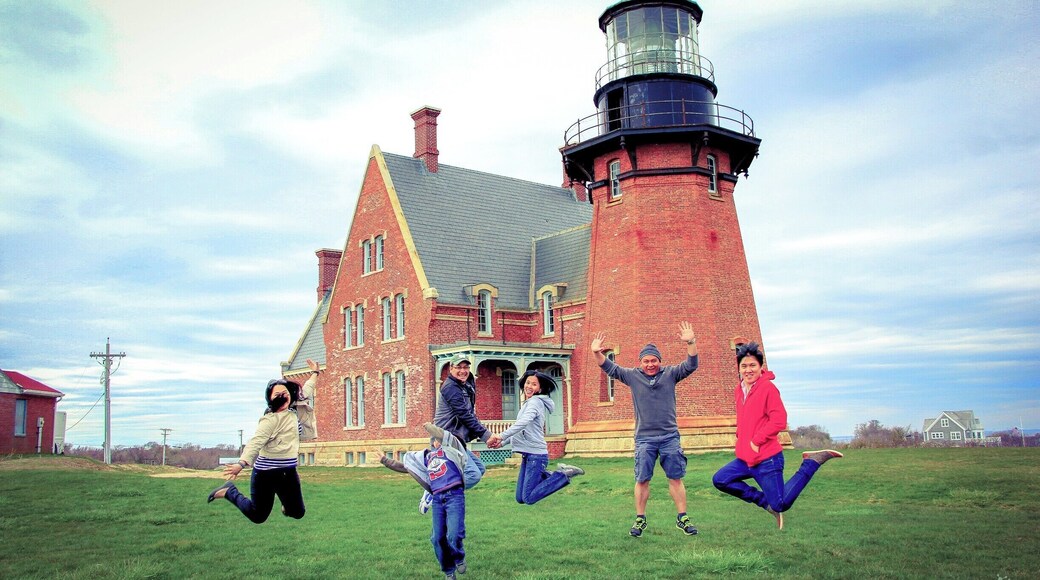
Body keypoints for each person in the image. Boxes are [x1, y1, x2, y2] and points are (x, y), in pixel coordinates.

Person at [712, 341, 843, 530]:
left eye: (752, 366)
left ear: (760, 367)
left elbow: (779, 420)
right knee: (721, 479)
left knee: (781, 503)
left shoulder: (768, 389)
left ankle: (811, 462)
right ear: (739, 368)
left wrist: (757, 440)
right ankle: (764, 503)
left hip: (767, 458)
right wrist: (741, 436)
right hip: (746, 458)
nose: (748, 370)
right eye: (744, 366)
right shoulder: (739, 390)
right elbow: (745, 418)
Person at [591, 321, 700, 537]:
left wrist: (691, 342)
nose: (650, 364)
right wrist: (596, 352)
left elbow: (691, 365)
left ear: (660, 361)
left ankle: (682, 517)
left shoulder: (670, 374)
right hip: (644, 439)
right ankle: (640, 519)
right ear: (640, 362)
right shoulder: (633, 376)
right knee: (642, 479)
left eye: (654, 361)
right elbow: (609, 367)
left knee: (675, 477)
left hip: (669, 436)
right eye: (646, 361)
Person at [207, 377, 306, 523]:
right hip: (265, 474)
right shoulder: (270, 420)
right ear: (270, 398)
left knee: (298, 512)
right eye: (277, 394)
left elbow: (306, 392)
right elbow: (255, 442)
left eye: (284, 393)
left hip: (288, 472)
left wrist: (315, 373)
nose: (282, 396)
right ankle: (229, 491)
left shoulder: (293, 414)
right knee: (258, 516)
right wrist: (240, 464)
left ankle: (288, 505)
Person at [378, 423, 468, 580]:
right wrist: (385, 460)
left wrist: (427, 424)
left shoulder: (453, 450)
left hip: (455, 496)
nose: (436, 441)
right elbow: (406, 467)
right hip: (438, 500)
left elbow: (441, 433)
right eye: (434, 440)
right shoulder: (427, 457)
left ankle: (459, 557)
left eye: (438, 438)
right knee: (437, 538)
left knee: (455, 535)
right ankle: (448, 571)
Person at [487, 370, 584, 504]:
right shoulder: (529, 403)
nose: (529, 386)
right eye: (527, 383)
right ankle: (549, 475)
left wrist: (501, 436)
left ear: (540, 388)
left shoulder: (535, 403)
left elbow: (523, 422)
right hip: (528, 455)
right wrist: (502, 443)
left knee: (528, 498)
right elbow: (522, 429)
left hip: (536, 456)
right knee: (520, 498)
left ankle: (563, 475)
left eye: (534, 384)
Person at [432, 354, 496, 492]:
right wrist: (486, 435)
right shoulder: (450, 387)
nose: (463, 370)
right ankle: (436, 491)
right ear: (451, 369)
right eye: (458, 367)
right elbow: (464, 415)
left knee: (479, 468)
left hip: (457, 440)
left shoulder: (465, 385)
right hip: (446, 440)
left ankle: (442, 488)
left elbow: (470, 413)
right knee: (473, 475)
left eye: (466, 367)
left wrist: (487, 436)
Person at [293, 358, 319, 441]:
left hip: (293, 445)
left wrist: (315, 372)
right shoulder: (272, 414)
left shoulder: (296, 401)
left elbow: (308, 387)